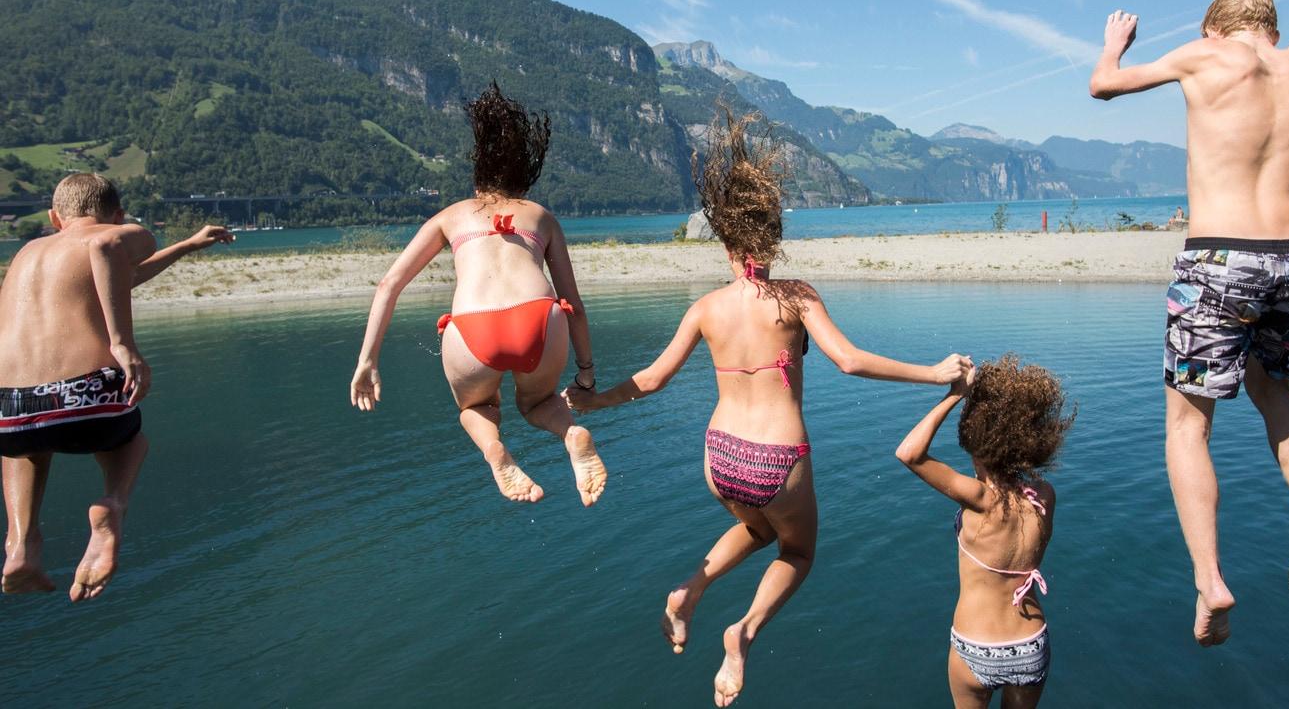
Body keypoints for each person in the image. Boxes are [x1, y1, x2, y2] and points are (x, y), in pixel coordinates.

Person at [565, 108, 971, 707]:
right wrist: (934, 373)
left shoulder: (706, 307)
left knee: (753, 527)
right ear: (772, 238)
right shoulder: (797, 297)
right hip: (778, 462)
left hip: (720, 458)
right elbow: (851, 361)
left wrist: (593, 402)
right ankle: (743, 631)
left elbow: (650, 381)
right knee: (798, 550)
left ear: (726, 242)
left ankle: (688, 590)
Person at [1088, 0, 1289, 645]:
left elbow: (1103, 86)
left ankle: (1209, 583)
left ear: (1217, 25)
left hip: (1220, 261)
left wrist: (1116, 44)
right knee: (1276, 394)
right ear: (1271, 25)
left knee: (1187, 425)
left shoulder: (1205, 52)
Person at [351, 82, 606, 506]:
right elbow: (573, 306)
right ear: (524, 176)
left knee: (477, 409)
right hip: (539, 322)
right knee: (537, 401)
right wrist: (586, 374)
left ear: (478, 173)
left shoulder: (450, 216)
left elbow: (388, 285)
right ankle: (571, 434)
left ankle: (494, 450)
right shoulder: (542, 217)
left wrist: (367, 361)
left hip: (472, 331)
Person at [0, 174, 233, 600]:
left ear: (54, 217)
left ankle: (21, 544)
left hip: (9, 410)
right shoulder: (121, 234)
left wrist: (186, 246)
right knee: (131, 443)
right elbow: (106, 250)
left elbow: (115, 277)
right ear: (118, 215)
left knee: (23, 449)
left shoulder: (26, 255)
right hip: (86, 400)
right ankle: (112, 506)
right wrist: (122, 344)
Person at [896, 356, 1074, 709]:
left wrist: (956, 396)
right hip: (1030, 642)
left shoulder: (979, 499)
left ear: (978, 442)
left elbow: (909, 453)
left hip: (977, 644)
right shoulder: (1044, 496)